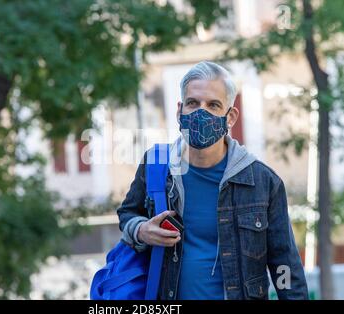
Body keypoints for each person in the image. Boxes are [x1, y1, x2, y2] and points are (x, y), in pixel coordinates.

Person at [117, 61, 308, 300]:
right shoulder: (156, 165)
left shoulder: (262, 181)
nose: (201, 112)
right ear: (180, 111)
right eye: (193, 103)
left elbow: (284, 263)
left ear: (230, 117)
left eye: (213, 105)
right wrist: (142, 230)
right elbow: (127, 215)